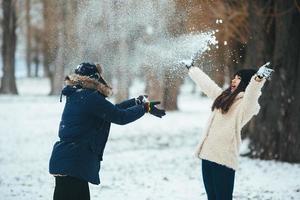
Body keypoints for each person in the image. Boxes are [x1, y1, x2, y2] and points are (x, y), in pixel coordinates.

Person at [49, 62, 166, 200]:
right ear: (95, 78)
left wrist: (135, 102)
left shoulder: (78, 95)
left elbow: (110, 111)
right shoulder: (89, 97)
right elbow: (120, 117)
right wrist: (145, 108)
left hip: (67, 162)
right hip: (74, 163)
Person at [184, 61, 273, 200]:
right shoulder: (223, 98)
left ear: (245, 83)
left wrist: (258, 79)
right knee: (211, 197)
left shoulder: (246, 106)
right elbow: (207, 85)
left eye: (238, 78)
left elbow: (252, 93)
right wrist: (192, 68)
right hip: (207, 156)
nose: (233, 79)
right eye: (234, 77)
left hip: (223, 159)